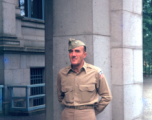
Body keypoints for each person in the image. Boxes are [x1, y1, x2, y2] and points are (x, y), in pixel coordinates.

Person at [57, 38, 112, 120]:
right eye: (71, 51)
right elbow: (60, 97)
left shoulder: (96, 72)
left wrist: (92, 112)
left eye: (77, 51)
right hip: (67, 115)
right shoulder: (62, 73)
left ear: (84, 55)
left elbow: (107, 96)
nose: (73, 54)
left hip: (87, 115)